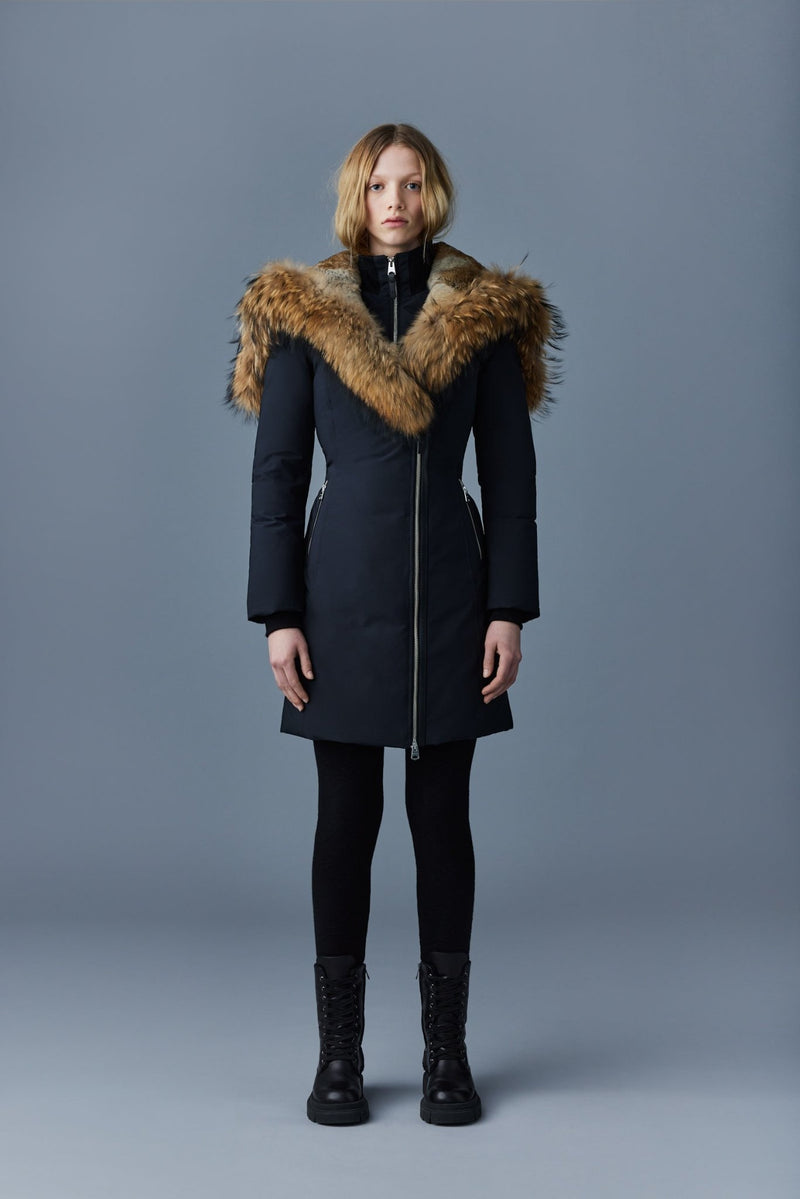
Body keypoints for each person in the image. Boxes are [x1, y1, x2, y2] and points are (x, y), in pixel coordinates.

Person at [224, 123, 566, 1126]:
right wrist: (279, 614)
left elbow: (510, 480)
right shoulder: (305, 314)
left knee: (441, 820)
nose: (396, 201)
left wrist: (507, 607)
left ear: (433, 196)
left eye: (412, 185)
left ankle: (445, 1057)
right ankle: (338, 1057)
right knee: (344, 819)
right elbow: (278, 477)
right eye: (380, 184)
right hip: (338, 596)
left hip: (452, 596)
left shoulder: (480, 315)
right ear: (356, 196)